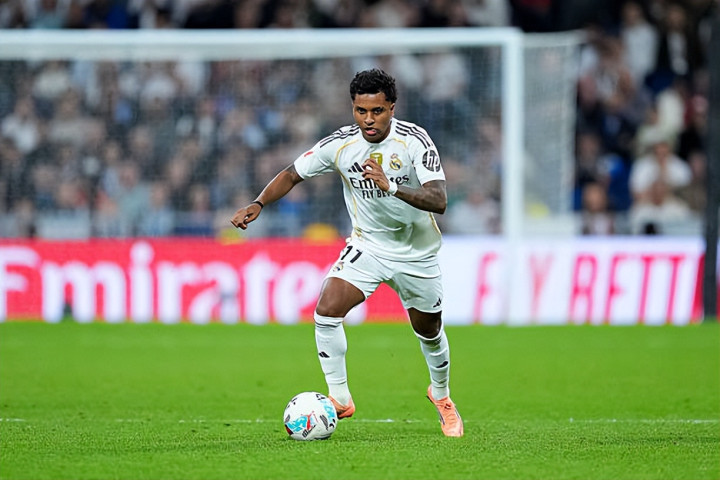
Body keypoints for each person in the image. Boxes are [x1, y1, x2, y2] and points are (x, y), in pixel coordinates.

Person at [230, 68, 463, 437]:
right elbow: (292, 173)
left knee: (429, 331)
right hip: (368, 246)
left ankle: (442, 396)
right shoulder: (340, 145)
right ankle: (340, 398)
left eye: (377, 111)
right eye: (360, 111)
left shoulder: (414, 141)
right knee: (327, 310)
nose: (368, 119)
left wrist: (390, 186)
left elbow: (439, 200)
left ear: (392, 108)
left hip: (417, 253)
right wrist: (258, 203)